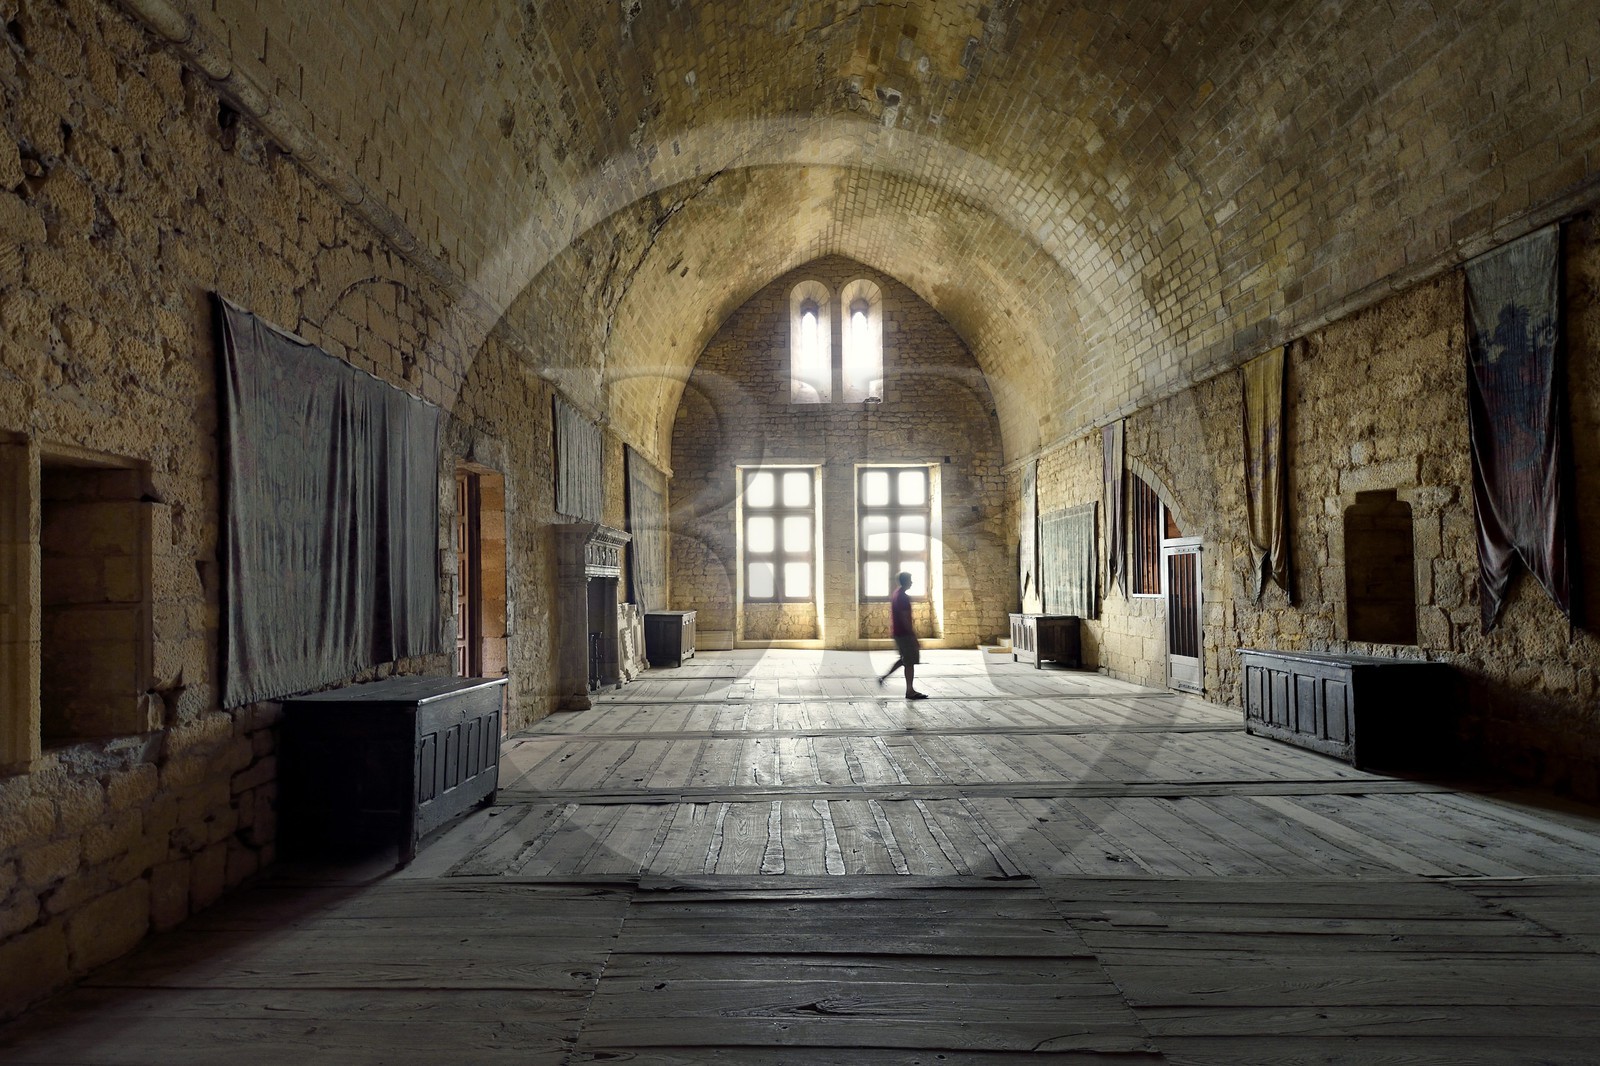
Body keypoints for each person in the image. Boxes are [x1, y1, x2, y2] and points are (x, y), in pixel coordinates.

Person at [877, 571, 927, 699]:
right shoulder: (903, 597)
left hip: (898, 632)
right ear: (905, 581)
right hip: (904, 634)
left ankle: (883, 678)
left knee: (904, 660)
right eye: (910, 580)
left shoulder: (896, 594)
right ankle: (910, 691)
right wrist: (913, 636)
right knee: (909, 662)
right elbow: (905, 618)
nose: (912, 582)